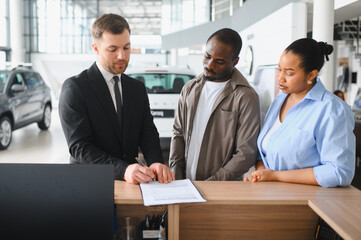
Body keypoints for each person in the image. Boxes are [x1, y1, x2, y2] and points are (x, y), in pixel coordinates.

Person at [59, 13, 174, 184]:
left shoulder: (136, 88)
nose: (122, 56)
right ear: (96, 49)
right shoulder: (75, 88)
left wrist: (155, 161)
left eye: (126, 48)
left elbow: (147, 131)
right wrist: (123, 170)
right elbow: (79, 147)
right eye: (113, 50)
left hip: (130, 182)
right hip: (89, 182)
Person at [246, 38, 355, 187]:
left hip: (306, 201)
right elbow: (265, 151)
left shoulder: (332, 110)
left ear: (311, 75)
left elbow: (339, 172)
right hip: (270, 195)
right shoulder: (281, 98)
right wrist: (261, 173)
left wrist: (277, 176)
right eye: (279, 69)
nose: (280, 78)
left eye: (289, 73)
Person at [169, 28, 260, 181]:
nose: (210, 65)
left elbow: (246, 153)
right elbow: (178, 134)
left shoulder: (246, 97)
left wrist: (212, 184)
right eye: (207, 56)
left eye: (219, 61)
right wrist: (177, 176)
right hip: (185, 184)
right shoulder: (190, 88)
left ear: (235, 62)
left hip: (222, 192)